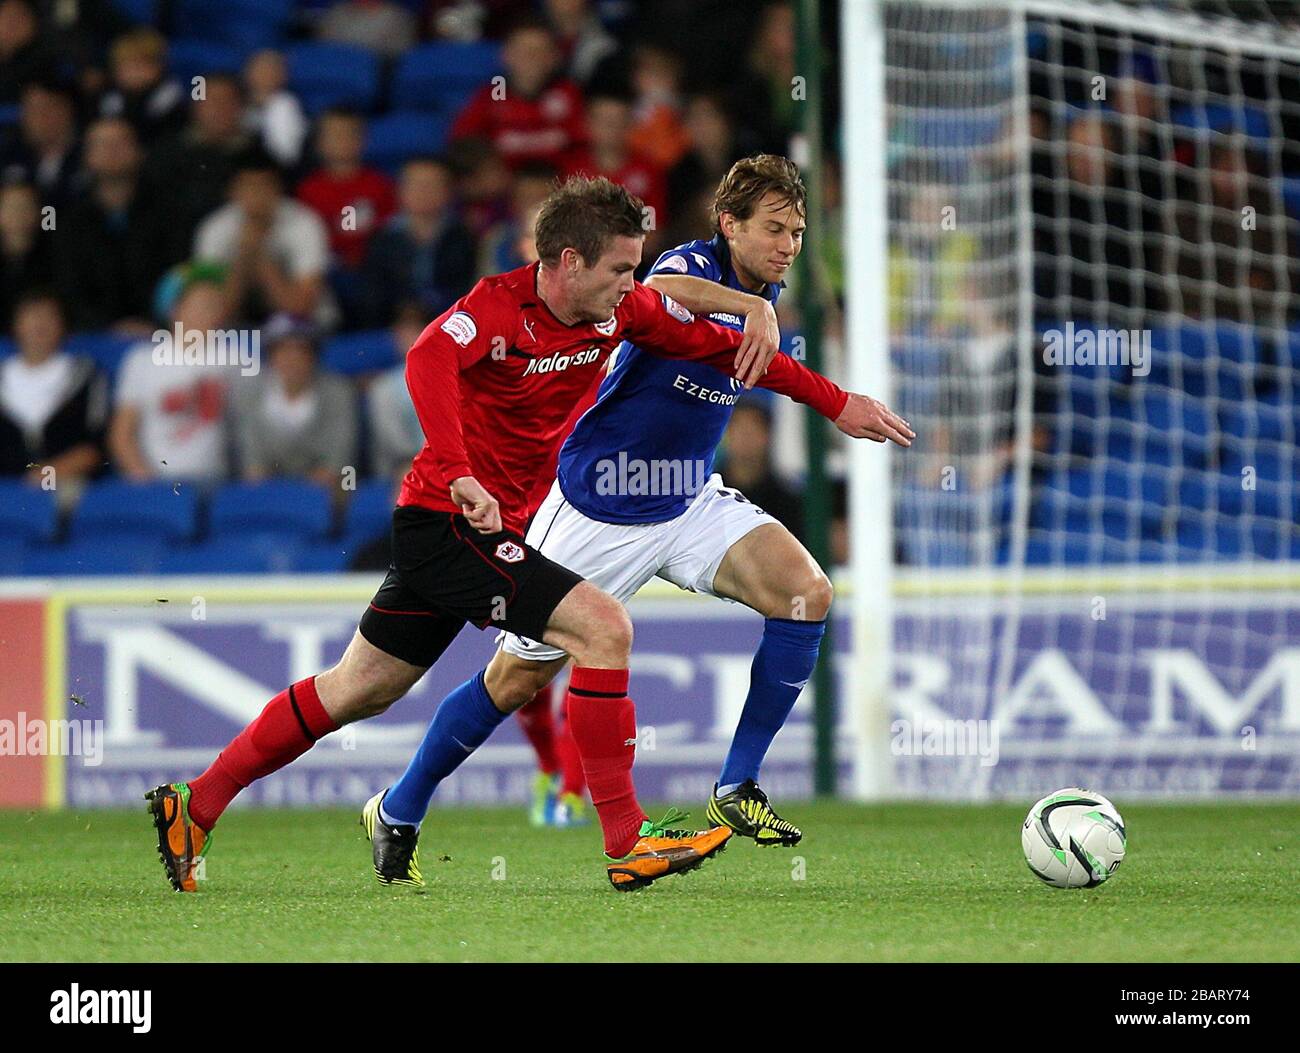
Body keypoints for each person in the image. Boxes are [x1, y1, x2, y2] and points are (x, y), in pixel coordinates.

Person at [145, 174, 885, 894]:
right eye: (622, 270)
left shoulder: (619, 314)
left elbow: (722, 353)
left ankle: (197, 804)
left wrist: (836, 399)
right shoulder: (495, 308)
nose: (636, 285)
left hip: (485, 527)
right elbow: (426, 356)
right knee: (602, 628)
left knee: (360, 687)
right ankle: (627, 842)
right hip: (451, 520)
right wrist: (460, 470)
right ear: (568, 263)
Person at [380, 155, 914, 861]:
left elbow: (744, 359)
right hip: (600, 506)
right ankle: (400, 802)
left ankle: (737, 781)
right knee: (513, 679)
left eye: (799, 231)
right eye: (774, 228)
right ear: (730, 224)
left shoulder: (770, 288)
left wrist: (838, 401)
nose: (788, 244)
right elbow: (662, 288)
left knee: (806, 592)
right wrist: (750, 305)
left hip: (688, 498)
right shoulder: (690, 265)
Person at [107, 278, 236, 483]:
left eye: (216, 307)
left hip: (214, 484)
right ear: (176, 310)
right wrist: (147, 483)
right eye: (202, 306)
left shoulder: (233, 360)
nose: (211, 314)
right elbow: (121, 434)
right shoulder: (142, 359)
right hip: (154, 482)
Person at [193, 149, 333, 327]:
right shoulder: (215, 229)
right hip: (234, 327)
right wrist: (243, 257)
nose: (257, 195)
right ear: (232, 191)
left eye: (265, 186)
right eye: (248, 186)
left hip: (303, 329)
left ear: (279, 189)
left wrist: (259, 255)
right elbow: (215, 310)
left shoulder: (305, 223)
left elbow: (300, 307)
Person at [231, 314, 357, 485]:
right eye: (283, 350)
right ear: (271, 355)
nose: (292, 359)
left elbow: (337, 462)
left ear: (313, 355)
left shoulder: (338, 394)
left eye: (301, 350)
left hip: (324, 490)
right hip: (265, 488)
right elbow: (252, 465)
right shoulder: (249, 394)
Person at [0, 290, 107, 485]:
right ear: (15, 324)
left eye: (49, 315)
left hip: (67, 488)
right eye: (31, 315)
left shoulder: (85, 375)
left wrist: (43, 478)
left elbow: (95, 447)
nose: (40, 323)